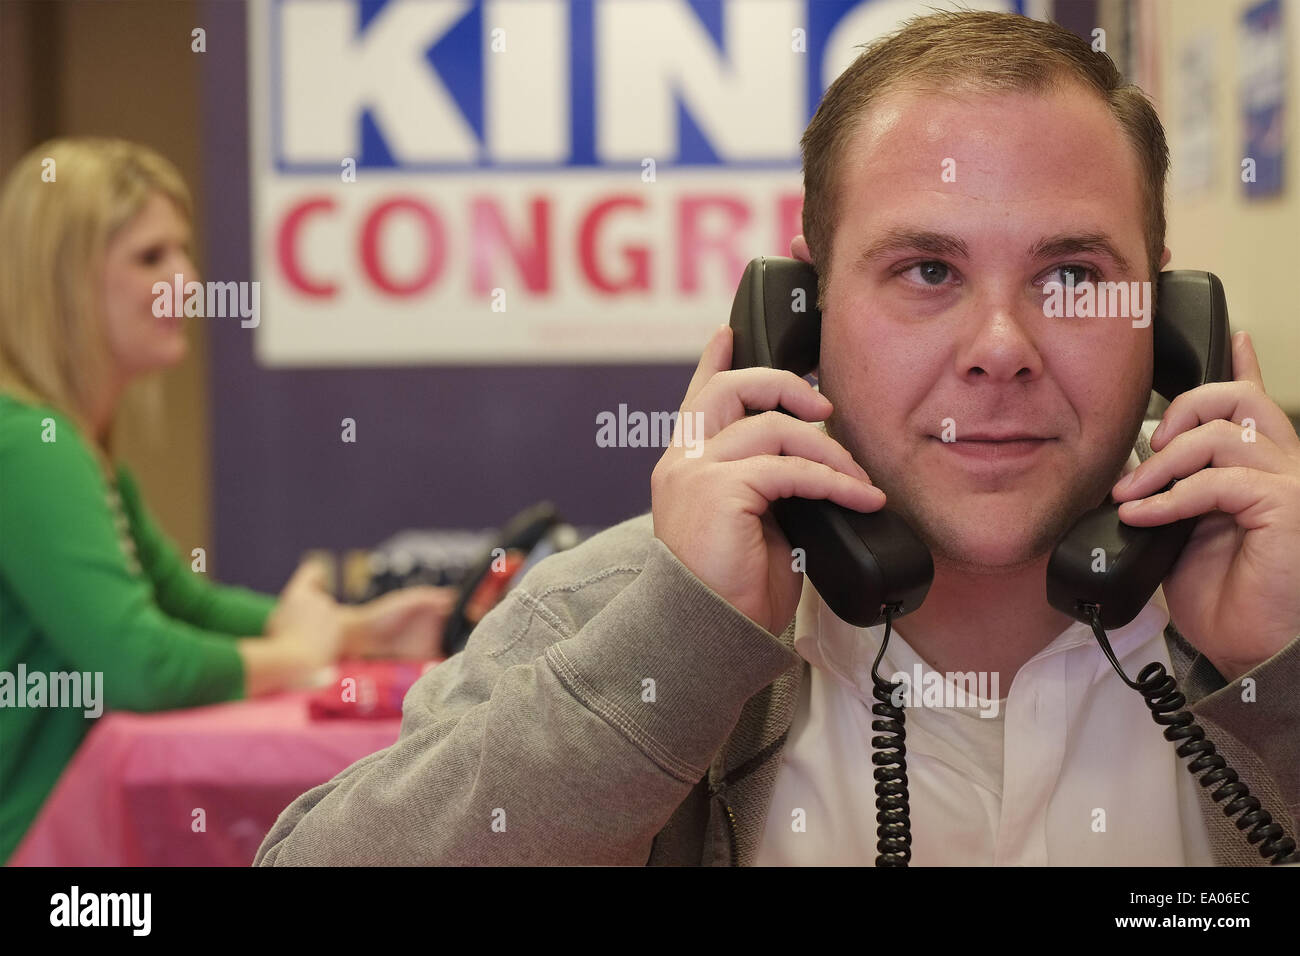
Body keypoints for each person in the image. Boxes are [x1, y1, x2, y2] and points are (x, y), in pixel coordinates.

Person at [254, 10, 1300, 866]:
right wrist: (676, 651)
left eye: (1070, 275)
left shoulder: (1276, 609)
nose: (999, 348)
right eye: (926, 271)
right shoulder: (614, 614)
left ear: (1165, 317)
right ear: (802, 309)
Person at [0, 138, 454, 864]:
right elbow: (140, 665)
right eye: (150, 259)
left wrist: (351, 631)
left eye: (181, 251)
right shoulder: (34, 447)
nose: (186, 279)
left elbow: (183, 606)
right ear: (62, 282)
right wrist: (294, 651)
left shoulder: (69, 445)